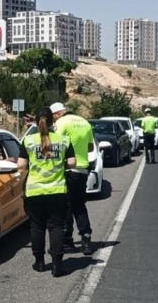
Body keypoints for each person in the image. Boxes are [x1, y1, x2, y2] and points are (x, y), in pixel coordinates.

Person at [17, 108, 77, 277]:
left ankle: (40, 262)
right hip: (57, 191)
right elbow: (72, 163)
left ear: (36, 122)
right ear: (53, 122)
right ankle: (58, 264)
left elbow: (21, 166)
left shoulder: (28, 140)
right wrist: (59, 165)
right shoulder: (64, 140)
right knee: (56, 226)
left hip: (35, 192)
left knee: (37, 227)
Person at [50, 102, 95, 256]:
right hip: (82, 170)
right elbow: (90, 148)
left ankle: (67, 240)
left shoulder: (61, 123)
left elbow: (55, 144)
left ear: (56, 114)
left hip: (67, 169)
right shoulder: (84, 122)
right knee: (79, 205)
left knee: (66, 206)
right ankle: (86, 239)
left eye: (53, 117)